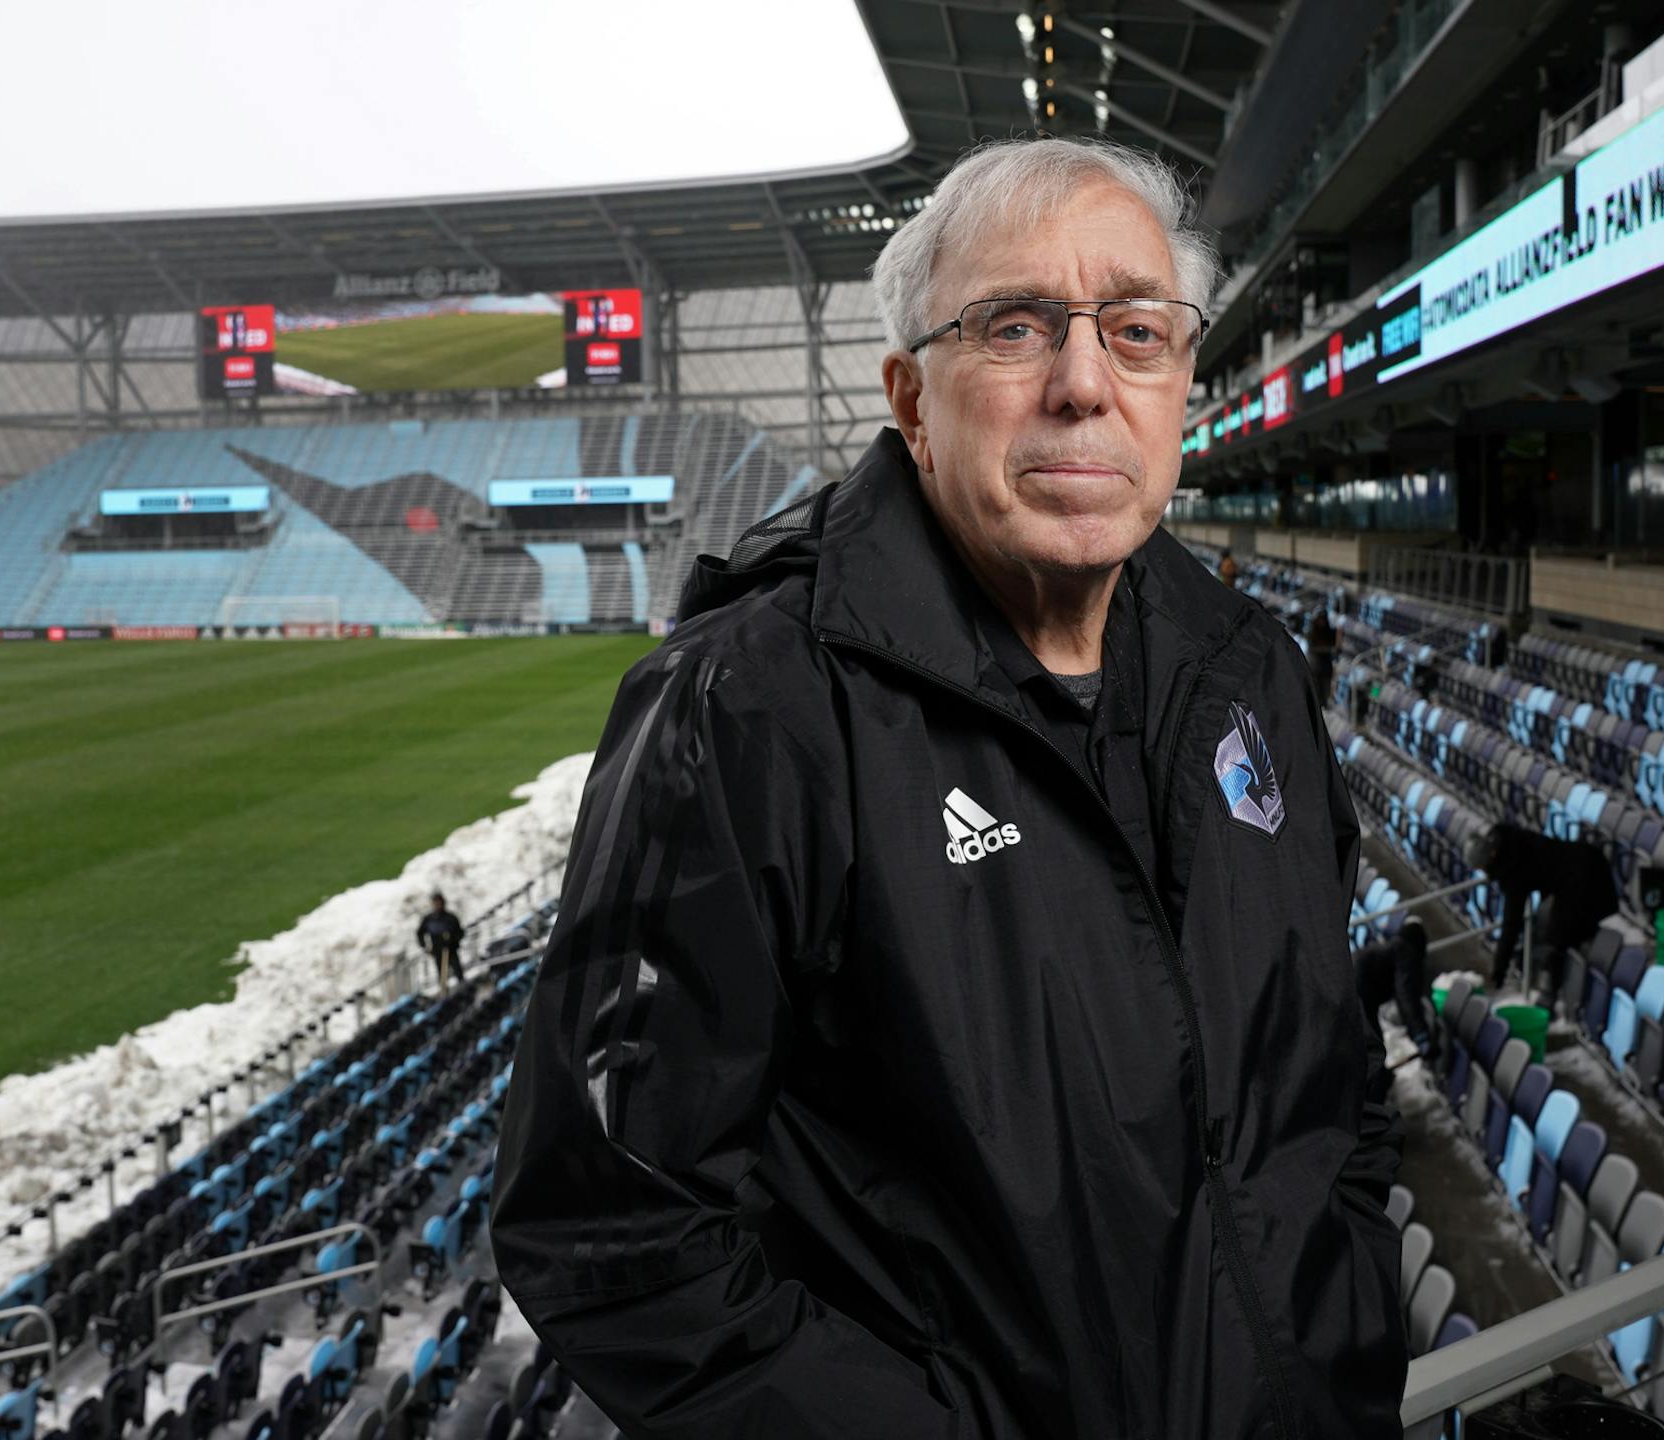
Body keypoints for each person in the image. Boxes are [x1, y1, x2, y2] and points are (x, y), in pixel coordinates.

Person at [491, 136, 1404, 1439]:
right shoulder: (751, 704)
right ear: (913, 400)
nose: (1085, 384)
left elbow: (1330, 1084)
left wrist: (1343, 1356)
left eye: (1137, 332)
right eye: (1017, 328)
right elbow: (611, 1227)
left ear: (1184, 387)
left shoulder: (1251, 672)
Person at [1473, 823, 1618, 1009]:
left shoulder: (1513, 870)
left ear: (1492, 856)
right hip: (1585, 859)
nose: (1485, 873)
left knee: (1558, 939)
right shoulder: (1508, 839)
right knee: (1552, 929)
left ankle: (1550, 997)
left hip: (1584, 878)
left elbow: (1511, 924)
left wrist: (1498, 971)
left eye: (1484, 868)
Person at [1354, 915, 1433, 1067]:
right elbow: (1406, 995)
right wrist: (1420, 1034)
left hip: (1354, 987)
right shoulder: (1405, 953)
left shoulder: (1392, 948)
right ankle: (1377, 1084)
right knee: (1373, 1047)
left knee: (1370, 1045)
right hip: (1359, 993)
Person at [415, 891, 465, 990]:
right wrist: (425, 946)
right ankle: (444, 993)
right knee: (442, 975)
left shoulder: (450, 918)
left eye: (439, 902)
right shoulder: (429, 919)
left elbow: (460, 932)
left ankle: (464, 991)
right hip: (438, 951)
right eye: (435, 903)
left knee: (458, 971)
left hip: (451, 950)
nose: (438, 905)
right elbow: (420, 933)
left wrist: (453, 941)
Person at [1306, 603, 1338, 705]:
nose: (1322, 621)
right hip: (1315, 666)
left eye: (1323, 619)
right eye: (1320, 619)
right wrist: (1329, 649)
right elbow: (1314, 648)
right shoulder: (1311, 633)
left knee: (1325, 694)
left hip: (1326, 667)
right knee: (1316, 694)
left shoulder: (1330, 632)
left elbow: (1337, 645)